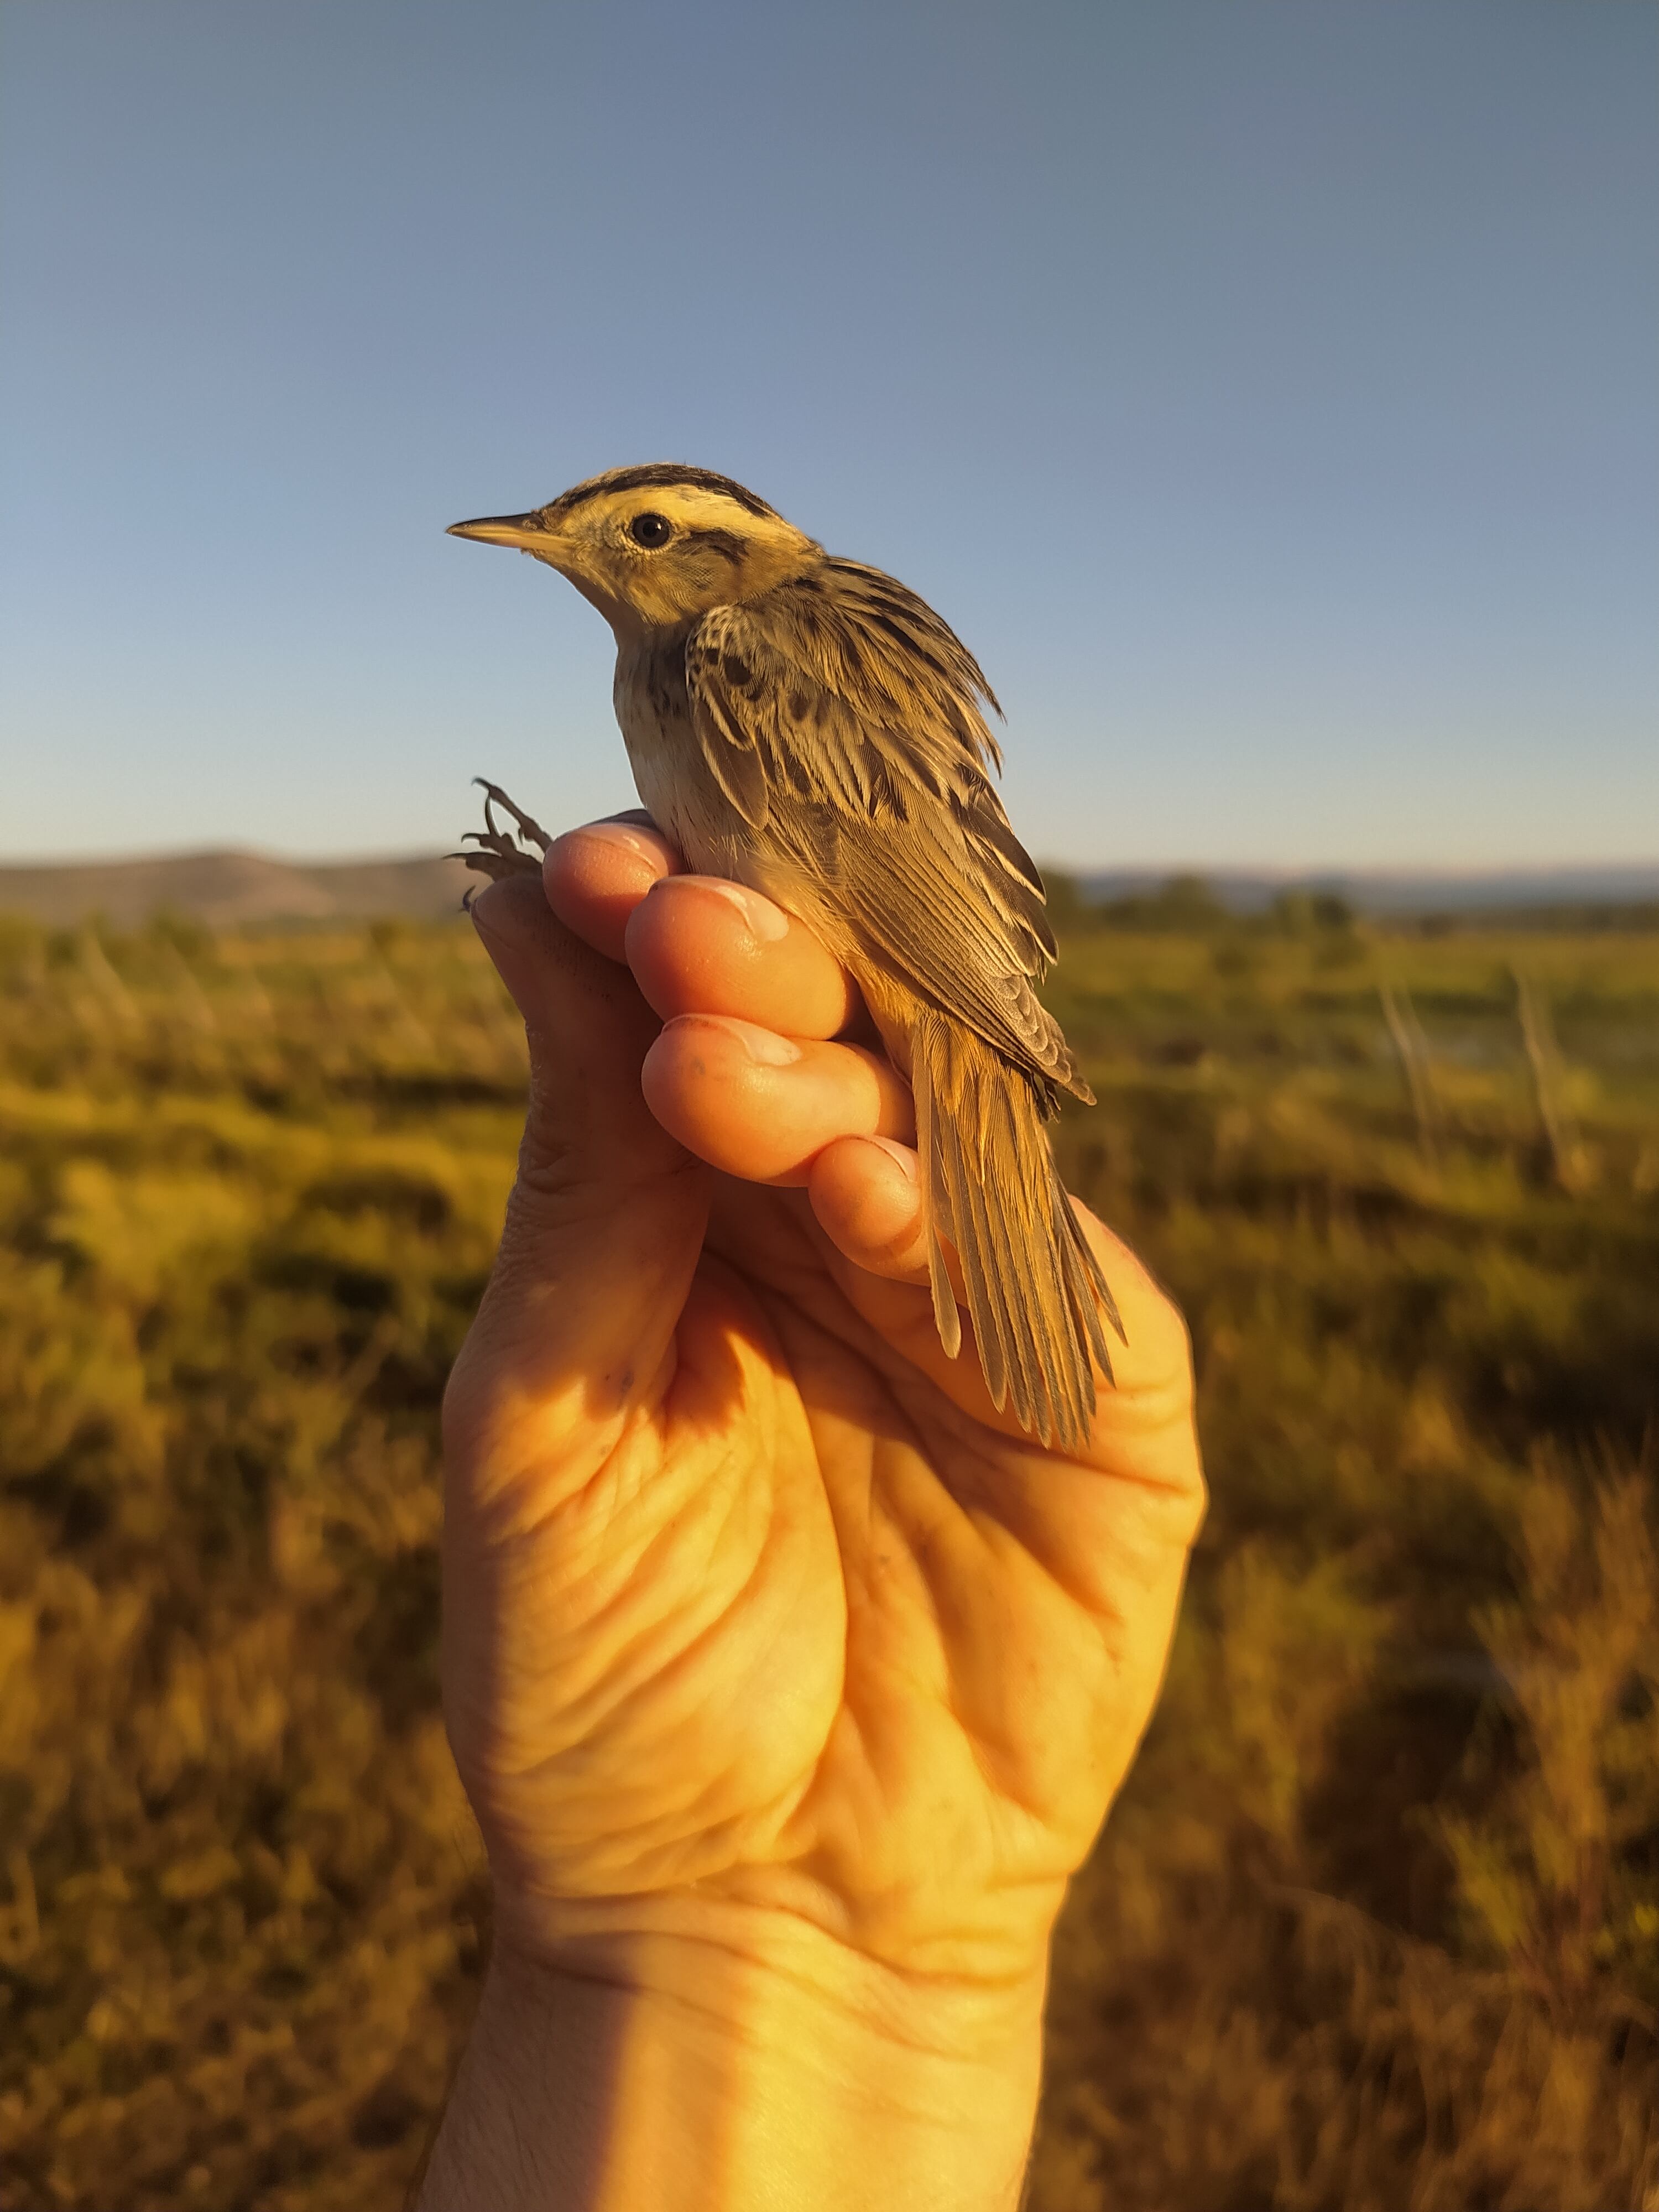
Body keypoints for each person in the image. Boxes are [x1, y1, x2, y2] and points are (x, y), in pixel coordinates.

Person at [416, 816, 1206, 2211]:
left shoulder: (734, 653)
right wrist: (689, 1923)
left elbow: (874, 863)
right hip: (868, 1028)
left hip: (907, 995)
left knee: (711, 997)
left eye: (656, 564)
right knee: (708, 1000)